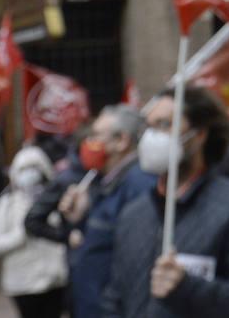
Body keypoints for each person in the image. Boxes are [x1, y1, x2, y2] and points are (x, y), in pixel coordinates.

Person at [100, 86, 229, 317]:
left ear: (199, 135)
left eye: (164, 125)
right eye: (148, 126)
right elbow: (116, 296)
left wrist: (188, 287)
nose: (151, 136)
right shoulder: (135, 213)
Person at [26, 104, 154, 318]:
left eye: (96, 135)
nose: (88, 143)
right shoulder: (108, 183)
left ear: (121, 141)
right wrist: (80, 218)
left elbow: (134, 261)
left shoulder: (138, 185)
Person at [0, 146, 68, 318]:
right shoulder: (8, 203)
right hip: (23, 284)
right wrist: (22, 235)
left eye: (35, 167)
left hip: (54, 280)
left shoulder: (55, 199)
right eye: (24, 169)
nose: (30, 173)